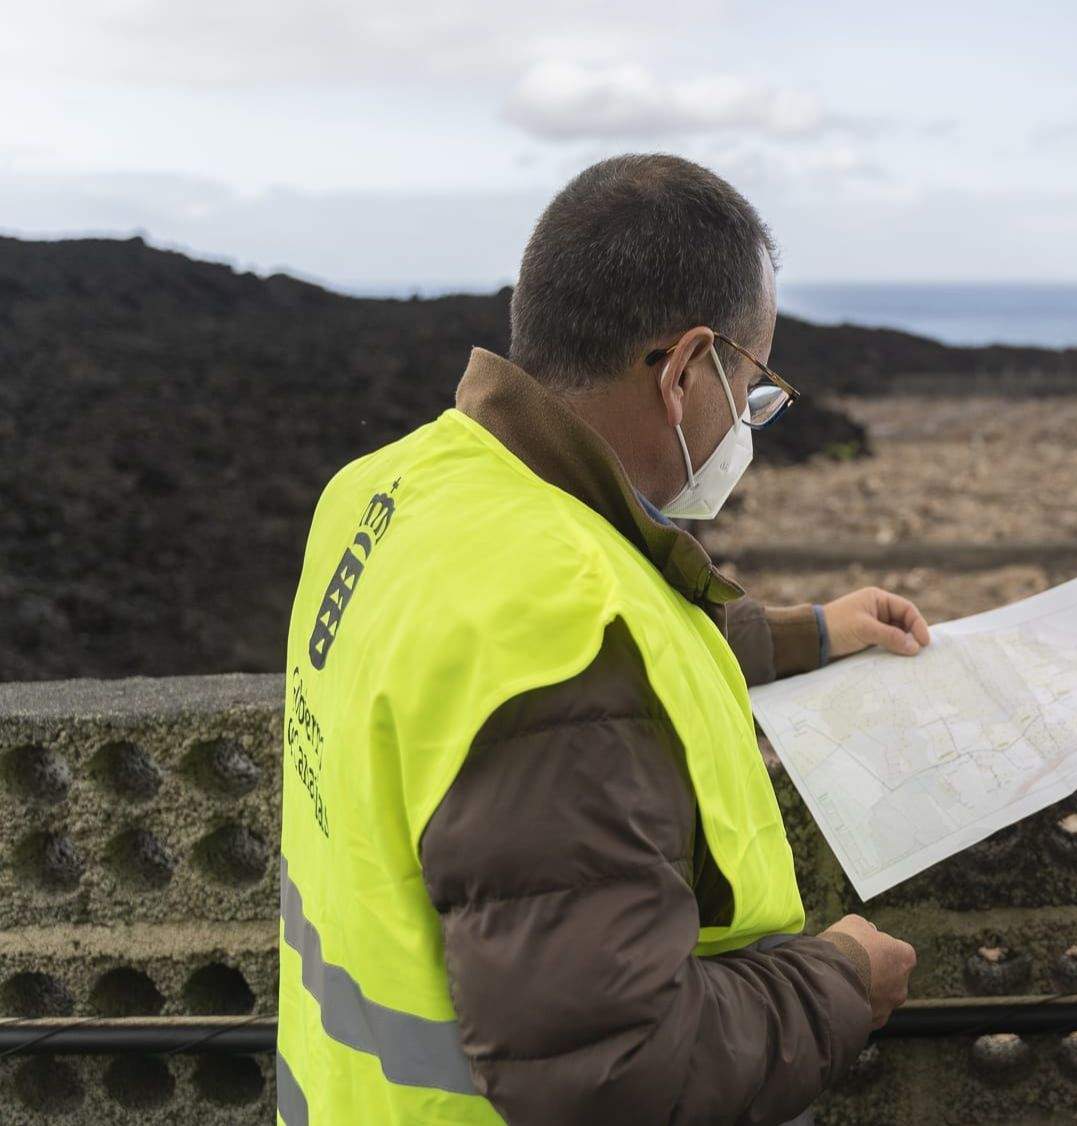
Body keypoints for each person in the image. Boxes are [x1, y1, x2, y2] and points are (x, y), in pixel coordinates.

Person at [276, 154, 920, 1125]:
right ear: (684, 369)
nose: (749, 420)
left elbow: (545, 659)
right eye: (752, 385)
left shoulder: (388, 488)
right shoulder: (562, 622)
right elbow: (613, 1071)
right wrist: (840, 981)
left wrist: (811, 633)